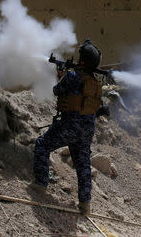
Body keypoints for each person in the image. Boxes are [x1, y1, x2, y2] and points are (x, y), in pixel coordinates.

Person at [31, 39, 105, 215]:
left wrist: (61, 75)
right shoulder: (96, 82)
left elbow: (57, 91)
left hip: (70, 125)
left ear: (83, 60)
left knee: (42, 145)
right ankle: (85, 204)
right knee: (83, 164)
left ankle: (40, 184)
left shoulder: (73, 76)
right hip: (87, 129)